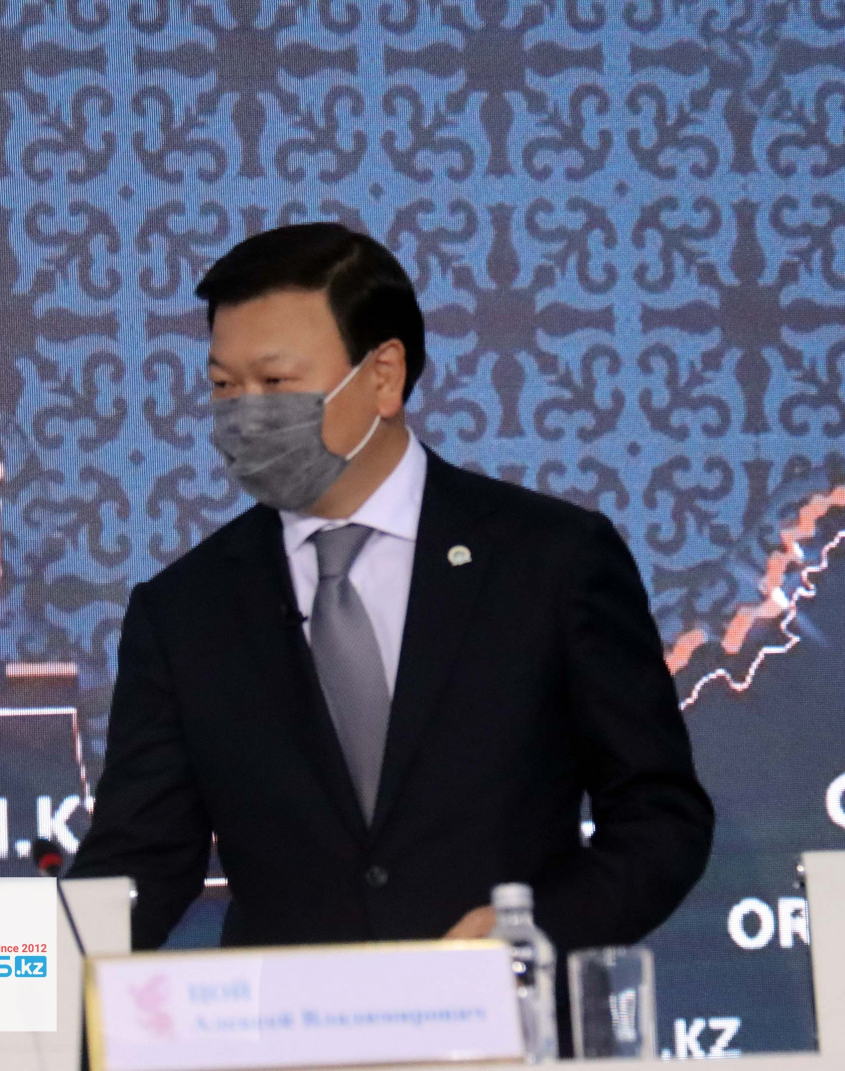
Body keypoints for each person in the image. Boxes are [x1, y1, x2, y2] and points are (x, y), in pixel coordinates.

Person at [67, 222, 713, 978]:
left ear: (383, 375)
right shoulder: (185, 611)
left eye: (275, 383)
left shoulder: (550, 561)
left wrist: (538, 929)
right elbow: (137, 864)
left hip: (508, 1024)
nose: (245, 413)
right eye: (223, 386)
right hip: (284, 1033)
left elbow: (660, 817)